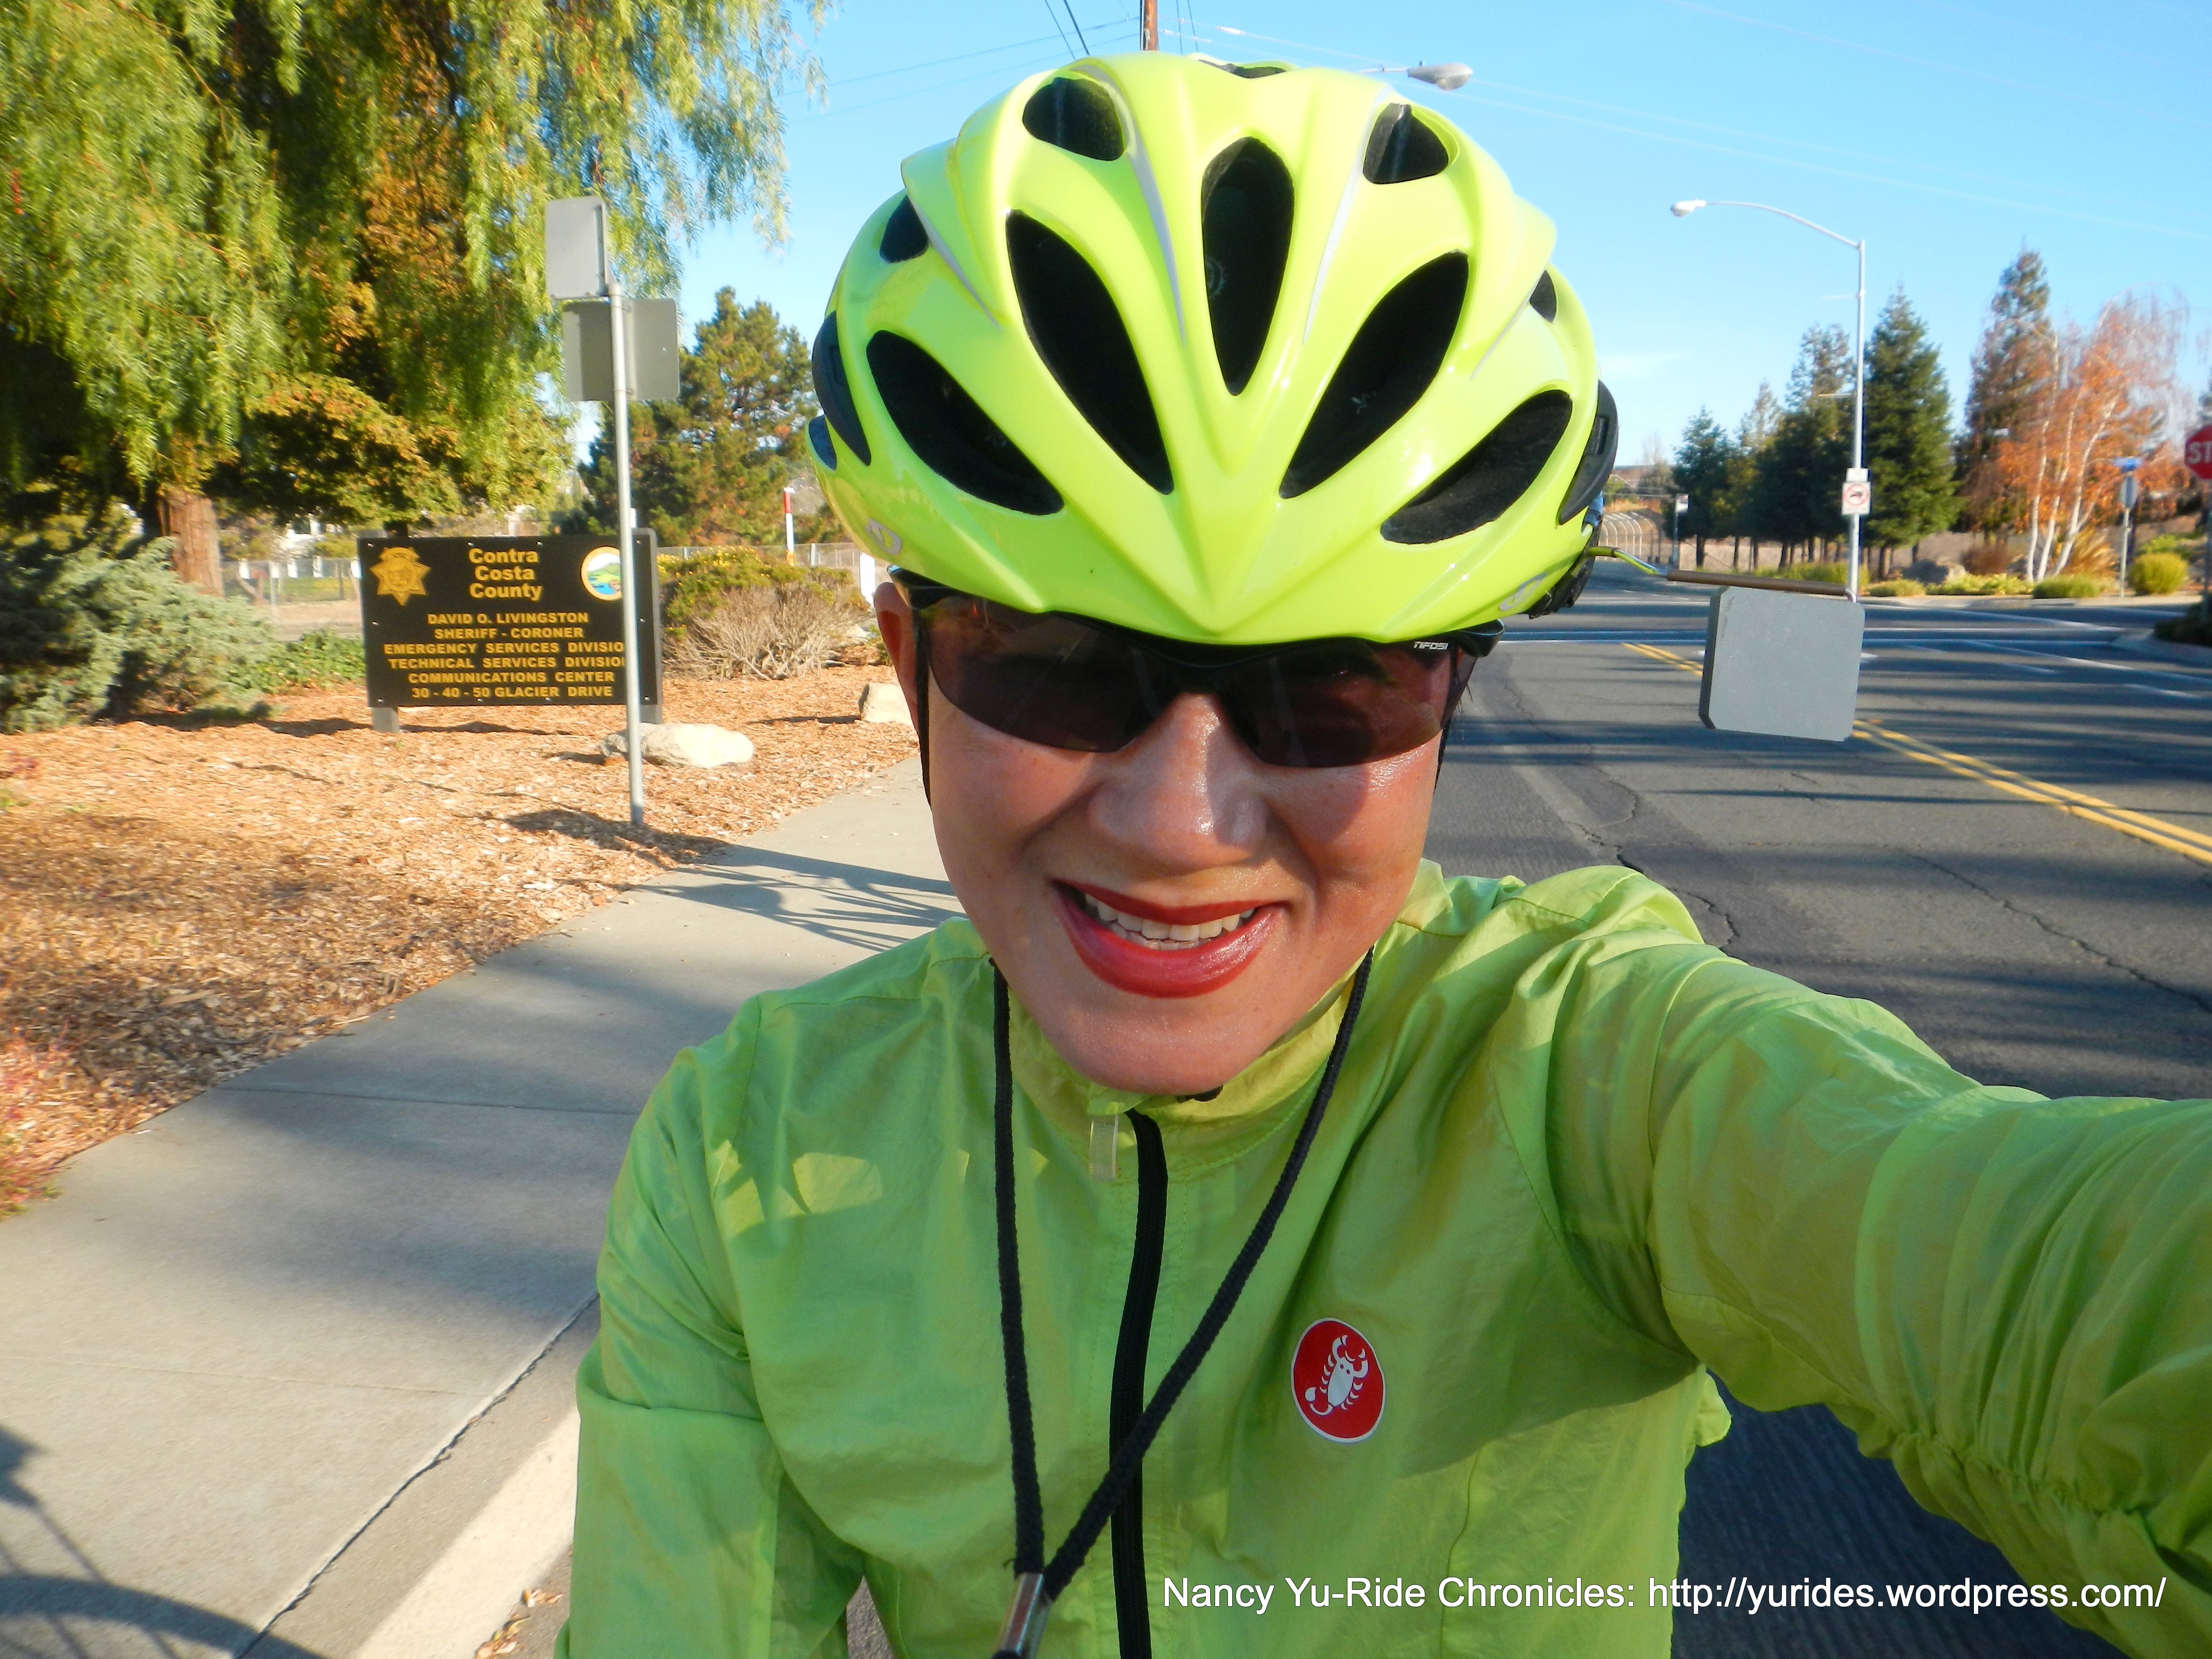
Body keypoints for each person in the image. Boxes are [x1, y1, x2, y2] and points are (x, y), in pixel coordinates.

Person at [557, 54, 2211, 1659]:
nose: (1181, 822)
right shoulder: (748, 1153)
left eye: (1330, 686)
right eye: (1055, 665)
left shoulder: (1587, 1076)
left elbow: (2019, 1265)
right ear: (911, 667)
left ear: (1446, 706)